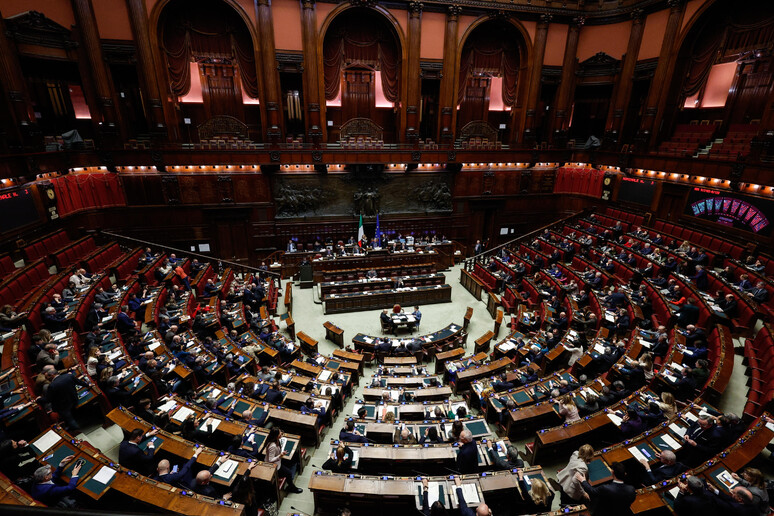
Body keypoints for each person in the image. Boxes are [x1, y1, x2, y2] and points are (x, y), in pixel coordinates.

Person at [261, 427, 303, 494]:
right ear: (276, 436)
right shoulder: (272, 446)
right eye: (280, 433)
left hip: (278, 461)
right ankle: (291, 487)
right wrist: (280, 455)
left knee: (293, 458)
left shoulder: (276, 440)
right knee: (289, 473)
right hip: (275, 466)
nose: (281, 433)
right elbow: (270, 460)